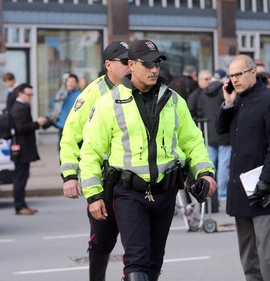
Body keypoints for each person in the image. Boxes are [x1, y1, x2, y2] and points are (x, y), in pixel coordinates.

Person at [79, 39, 217, 281]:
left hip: (165, 193)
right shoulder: (108, 103)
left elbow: (193, 141)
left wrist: (206, 172)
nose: (154, 69)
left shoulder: (173, 100)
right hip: (128, 194)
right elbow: (90, 150)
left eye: (157, 64)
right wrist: (94, 195)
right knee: (136, 263)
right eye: (148, 64)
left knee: (154, 264)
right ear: (131, 64)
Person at [59, 41, 130, 281]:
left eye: (132, 60)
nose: (130, 66)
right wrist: (69, 176)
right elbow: (70, 135)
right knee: (102, 241)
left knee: (138, 243)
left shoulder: (136, 88)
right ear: (108, 65)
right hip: (104, 178)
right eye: (124, 62)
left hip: (133, 177)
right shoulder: (92, 93)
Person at [216, 54, 270, 281]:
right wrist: (227, 102)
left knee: (268, 256)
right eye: (231, 75)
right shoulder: (236, 101)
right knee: (248, 257)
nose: (234, 80)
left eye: (239, 74)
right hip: (240, 188)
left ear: (253, 72)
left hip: (262, 187)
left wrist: (266, 181)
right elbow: (220, 130)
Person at [189, 68, 231, 206]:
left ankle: (211, 191)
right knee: (224, 164)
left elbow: (199, 113)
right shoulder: (223, 92)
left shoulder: (202, 94)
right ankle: (221, 192)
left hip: (208, 133)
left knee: (209, 163)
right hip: (223, 133)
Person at [9, 83, 48, 215]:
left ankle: (21, 204)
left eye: (32, 94)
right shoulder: (19, 108)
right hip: (21, 149)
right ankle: (20, 206)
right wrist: (37, 123)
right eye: (29, 94)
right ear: (20, 94)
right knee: (20, 177)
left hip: (22, 148)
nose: (31, 97)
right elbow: (21, 128)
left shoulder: (21, 106)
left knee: (22, 176)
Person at [52, 73, 81, 142]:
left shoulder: (79, 94)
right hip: (62, 124)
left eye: (72, 82)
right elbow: (55, 105)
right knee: (61, 146)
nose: (70, 84)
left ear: (76, 83)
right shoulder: (62, 93)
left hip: (73, 125)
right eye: (68, 82)